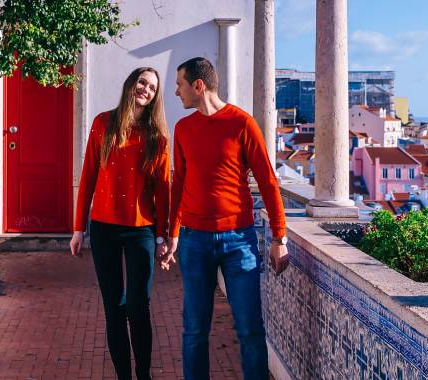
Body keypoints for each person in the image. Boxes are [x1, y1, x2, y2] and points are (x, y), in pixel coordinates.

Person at [161, 56, 288, 380]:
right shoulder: (183, 128)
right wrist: (172, 234)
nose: (177, 92)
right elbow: (179, 184)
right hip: (193, 241)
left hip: (239, 240)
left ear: (198, 85)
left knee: (249, 330)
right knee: (194, 331)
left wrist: (279, 238)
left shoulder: (242, 123)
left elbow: (268, 181)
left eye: (179, 84)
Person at [70, 67, 171, 380]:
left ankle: (143, 375)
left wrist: (165, 235)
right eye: (142, 82)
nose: (146, 90)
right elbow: (88, 176)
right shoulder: (103, 123)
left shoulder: (157, 137)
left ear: (155, 97)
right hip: (103, 228)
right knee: (113, 309)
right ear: (131, 83)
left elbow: (164, 191)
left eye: (152, 88)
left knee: (138, 307)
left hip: (141, 229)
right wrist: (78, 228)